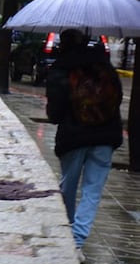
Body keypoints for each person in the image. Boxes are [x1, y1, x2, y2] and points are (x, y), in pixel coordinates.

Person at [45, 28, 123, 252]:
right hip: (105, 136)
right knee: (93, 190)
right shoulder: (104, 65)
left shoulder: (60, 69)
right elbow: (117, 98)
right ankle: (78, 240)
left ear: (63, 45)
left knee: (68, 186)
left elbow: (55, 114)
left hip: (73, 137)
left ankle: (68, 229)